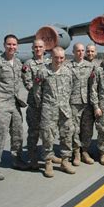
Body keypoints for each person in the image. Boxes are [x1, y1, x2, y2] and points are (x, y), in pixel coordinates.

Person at [0, 34, 29, 180]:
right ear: (4, 45)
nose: (12, 47)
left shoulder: (18, 63)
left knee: (17, 133)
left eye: (14, 45)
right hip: (1, 104)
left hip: (15, 103)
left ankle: (16, 159)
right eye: (9, 44)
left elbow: (25, 78)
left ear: (17, 47)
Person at [34, 47, 76, 178]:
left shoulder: (68, 72)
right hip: (48, 109)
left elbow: (71, 89)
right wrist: (44, 106)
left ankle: (65, 161)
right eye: (56, 57)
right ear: (51, 57)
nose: (59, 60)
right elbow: (37, 92)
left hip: (64, 109)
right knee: (47, 136)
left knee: (67, 134)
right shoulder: (43, 72)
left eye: (62, 58)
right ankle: (48, 162)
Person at [21, 39, 54, 170]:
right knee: (34, 132)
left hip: (48, 104)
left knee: (49, 132)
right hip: (35, 104)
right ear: (32, 48)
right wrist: (40, 91)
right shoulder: (28, 64)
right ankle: (32, 157)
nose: (38, 49)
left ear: (45, 48)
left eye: (41, 47)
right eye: (36, 47)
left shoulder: (49, 63)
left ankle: (48, 156)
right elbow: (28, 84)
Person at [68, 43, 95, 166]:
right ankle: (76, 152)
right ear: (73, 52)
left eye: (82, 50)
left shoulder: (90, 66)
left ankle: (85, 151)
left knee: (87, 129)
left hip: (88, 103)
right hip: (74, 102)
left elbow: (94, 86)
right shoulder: (68, 67)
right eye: (78, 50)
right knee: (74, 129)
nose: (80, 52)